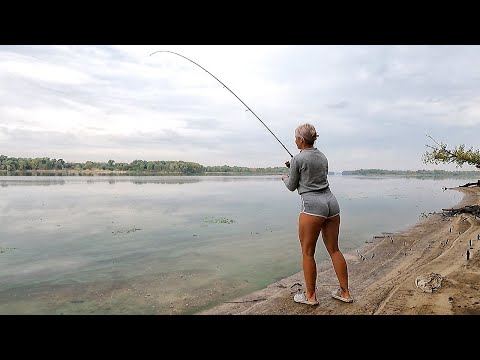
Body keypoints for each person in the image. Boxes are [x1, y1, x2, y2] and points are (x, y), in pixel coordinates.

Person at [281, 123, 353, 305]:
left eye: (296, 137)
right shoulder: (322, 156)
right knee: (334, 249)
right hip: (331, 204)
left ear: (301, 140)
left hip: (313, 207)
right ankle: (345, 293)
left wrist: (286, 175)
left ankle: (310, 296)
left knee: (307, 252)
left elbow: (291, 186)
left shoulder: (298, 159)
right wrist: (295, 167)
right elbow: (315, 176)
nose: (294, 140)